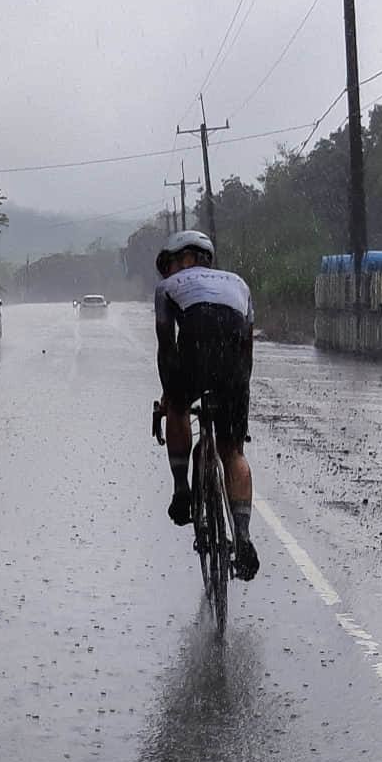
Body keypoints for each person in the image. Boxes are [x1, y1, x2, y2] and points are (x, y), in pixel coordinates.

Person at [153, 229, 260, 580]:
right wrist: (237, 386)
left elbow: (167, 345)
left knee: (181, 409)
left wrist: (170, 397)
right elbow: (247, 345)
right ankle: (242, 535)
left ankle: (182, 489)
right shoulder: (238, 283)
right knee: (233, 452)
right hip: (234, 364)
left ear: (180, 259)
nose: (169, 272)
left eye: (169, 265)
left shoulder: (168, 288)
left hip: (195, 348)